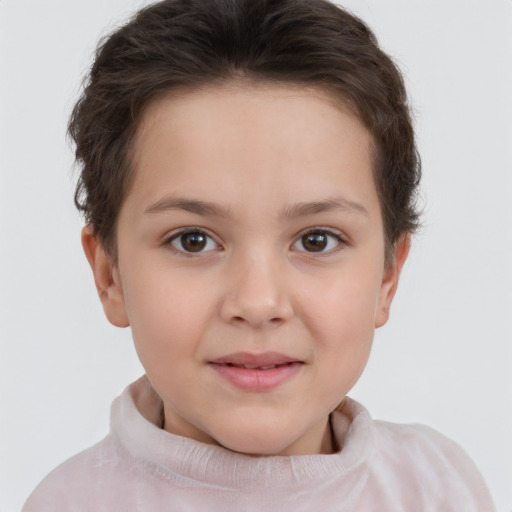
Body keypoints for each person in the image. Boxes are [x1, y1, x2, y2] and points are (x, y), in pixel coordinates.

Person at [22, 0, 495, 510]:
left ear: (387, 276)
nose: (257, 301)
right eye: (193, 239)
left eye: (317, 240)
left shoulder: (439, 489)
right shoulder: (67, 503)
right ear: (109, 275)